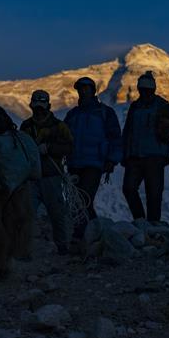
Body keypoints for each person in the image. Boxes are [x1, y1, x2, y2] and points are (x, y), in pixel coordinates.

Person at [63, 76, 122, 238]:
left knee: (84, 198)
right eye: (80, 88)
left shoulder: (105, 113)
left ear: (92, 90)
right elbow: (63, 137)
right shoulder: (72, 114)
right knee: (77, 200)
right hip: (74, 163)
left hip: (94, 163)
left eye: (85, 88)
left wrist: (112, 160)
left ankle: (90, 234)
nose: (82, 91)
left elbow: (116, 138)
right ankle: (85, 235)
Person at [121, 71, 169, 223]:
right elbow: (127, 131)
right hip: (135, 157)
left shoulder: (162, 106)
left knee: (154, 193)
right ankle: (141, 221)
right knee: (129, 189)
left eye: (147, 90)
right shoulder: (135, 107)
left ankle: (153, 224)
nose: (145, 93)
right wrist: (124, 153)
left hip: (155, 157)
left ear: (153, 90)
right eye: (142, 90)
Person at [20, 90, 74, 255]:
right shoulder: (26, 127)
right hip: (31, 178)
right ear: (31, 106)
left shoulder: (60, 127)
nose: (39, 111)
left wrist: (50, 148)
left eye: (41, 107)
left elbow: (70, 147)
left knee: (56, 214)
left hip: (52, 177)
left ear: (48, 107)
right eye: (36, 107)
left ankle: (62, 246)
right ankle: (22, 248)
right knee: (26, 215)